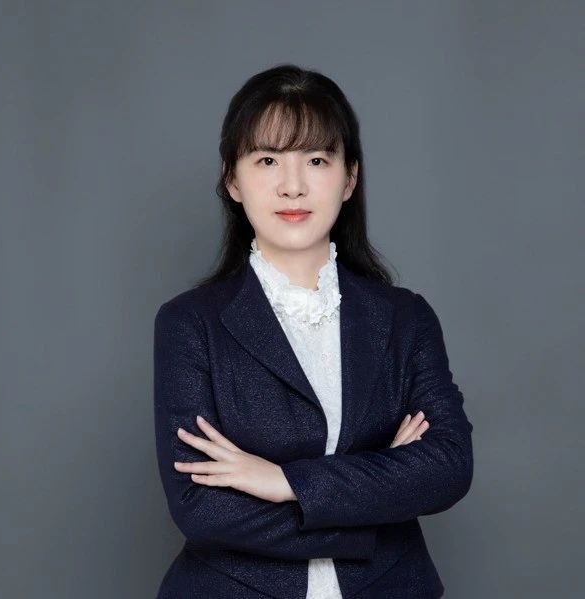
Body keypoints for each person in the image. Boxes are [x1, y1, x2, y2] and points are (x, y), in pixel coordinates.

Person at [153, 63, 473, 599]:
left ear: (349, 178)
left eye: (317, 160)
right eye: (267, 160)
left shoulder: (405, 318)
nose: (293, 186)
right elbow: (200, 505)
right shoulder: (190, 324)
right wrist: (380, 498)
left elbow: (448, 466)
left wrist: (284, 482)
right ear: (232, 180)